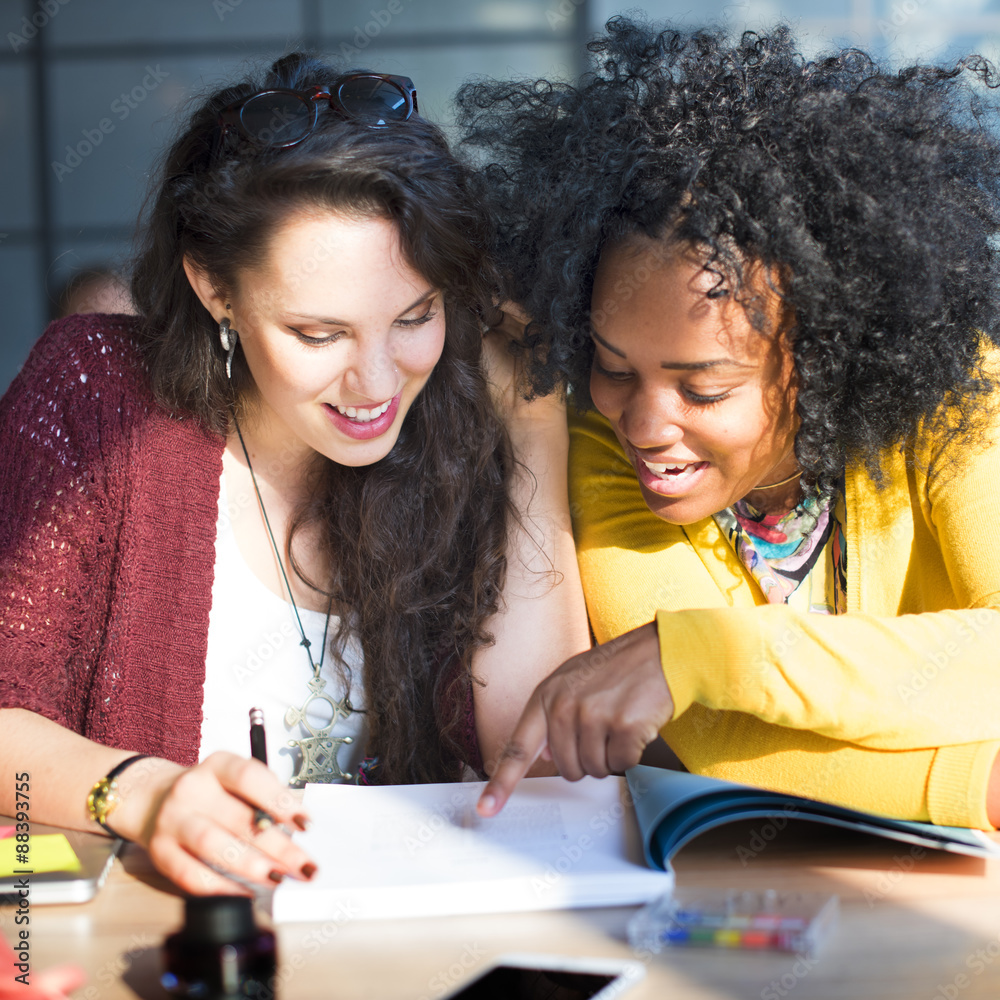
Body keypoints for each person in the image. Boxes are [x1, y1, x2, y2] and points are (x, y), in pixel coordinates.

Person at [0, 55, 588, 895]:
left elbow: (536, 763)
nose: (379, 383)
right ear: (214, 288)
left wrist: (533, 427)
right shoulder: (97, 399)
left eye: (415, 316)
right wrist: (147, 793)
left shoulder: (459, 421)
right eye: (320, 335)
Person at [461, 19, 1000, 829]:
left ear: (823, 356)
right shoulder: (604, 446)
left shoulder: (958, 395)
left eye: (704, 388)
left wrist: (702, 653)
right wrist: (982, 783)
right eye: (612, 366)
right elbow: (713, 733)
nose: (643, 423)